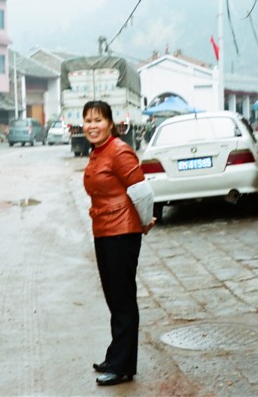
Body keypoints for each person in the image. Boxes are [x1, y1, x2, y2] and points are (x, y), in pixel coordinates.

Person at [82, 100, 155, 386]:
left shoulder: (119, 150)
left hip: (122, 233)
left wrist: (145, 222)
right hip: (103, 230)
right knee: (113, 296)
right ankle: (115, 355)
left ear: (111, 123)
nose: (92, 125)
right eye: (87, 120)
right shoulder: (97, 152)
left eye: (98, 120)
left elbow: (142, 190)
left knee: (123, 298)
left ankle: (123, 366)